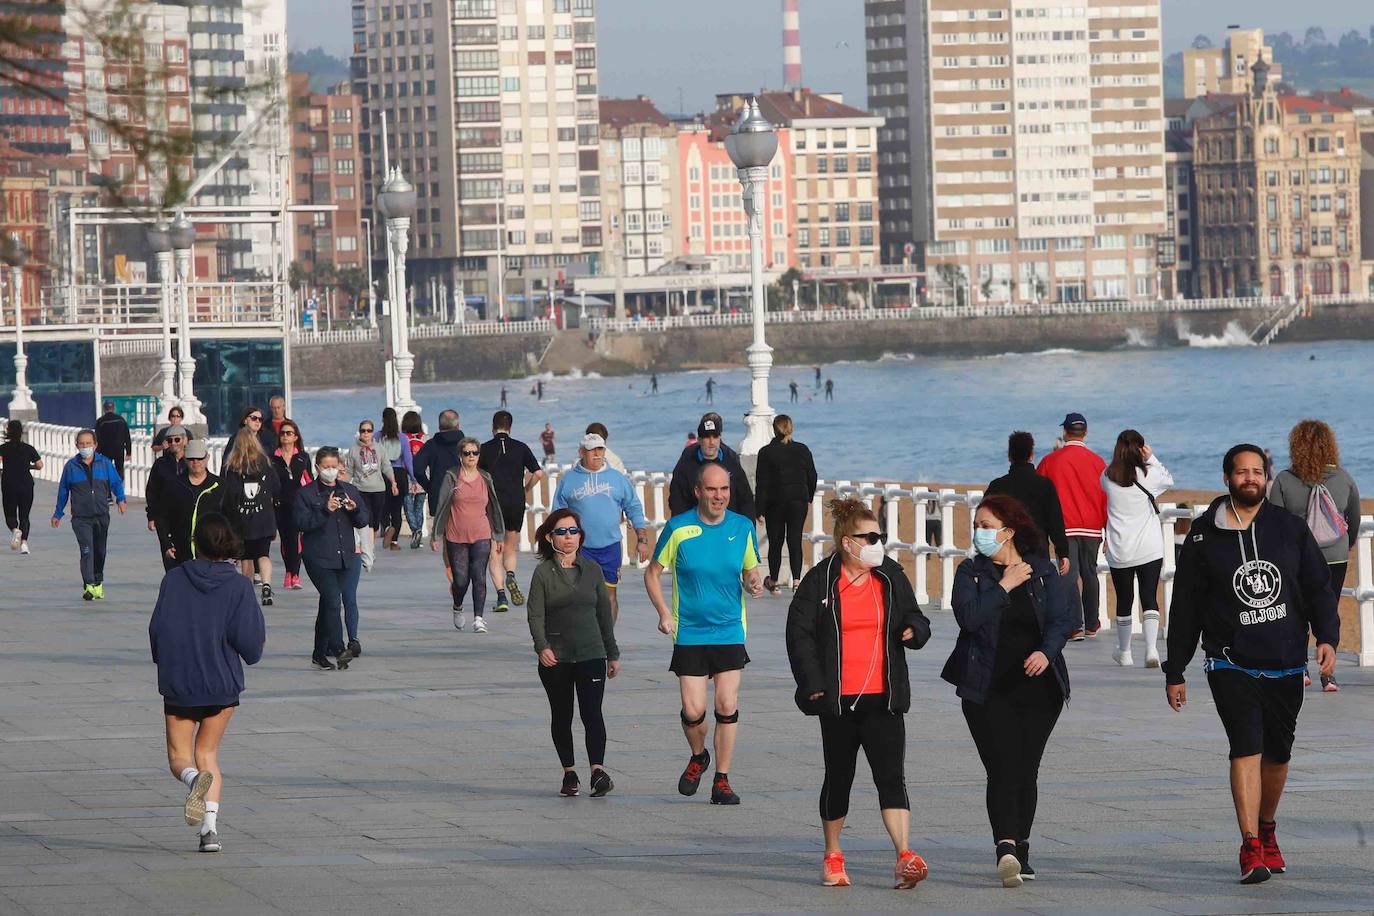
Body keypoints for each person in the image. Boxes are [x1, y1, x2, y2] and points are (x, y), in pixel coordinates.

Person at [1164, 444, 1340, 885]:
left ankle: (1267, 829)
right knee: (1246, 745)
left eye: (1257, 472)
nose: (1249, 478)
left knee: (1278, 755)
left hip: (1284, 660)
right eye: (1241, 472)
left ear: (1267, 477)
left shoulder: (1289, 529)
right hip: (1229, 660)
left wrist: (1328, 638)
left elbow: (1318, 586)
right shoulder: (1204, 537)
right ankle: (1248, 845)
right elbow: (1185, 606)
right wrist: (1175, 669)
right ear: (1226, 478)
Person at [785, 498, 933, 889]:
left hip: (883, 697)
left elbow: (916, 616)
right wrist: (812, 682)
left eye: (879, 536)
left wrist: (914, 631)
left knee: (892, 775)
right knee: (839, 777)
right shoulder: (820, 582)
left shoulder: (890, 576)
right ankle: (833, 855)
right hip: (837, 699)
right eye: (870, 537)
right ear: (847, 542)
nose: (877, 543)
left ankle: (904, 855)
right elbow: (799, 636)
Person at [943, 493, 1071, 888]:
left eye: (985, 525)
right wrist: (1004, 586)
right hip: (985, 687)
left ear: (1008, 531)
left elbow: (1062, 618)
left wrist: (1047, 653)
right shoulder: (971, 573)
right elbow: (968, 619)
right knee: (1001, 766)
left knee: (1026, 768)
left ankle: (1023, 848)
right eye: (976, 526)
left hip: (1038, 689)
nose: (979, 532)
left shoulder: (1041, 569)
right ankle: (1005, 849)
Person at [645, 463, 764, 806]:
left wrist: (754, 582)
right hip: (690, 631)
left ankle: (722, 781)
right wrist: (664, 614)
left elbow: (750, 570)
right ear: (698, 491)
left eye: (724, 489)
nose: (719, 496)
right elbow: (652, 575)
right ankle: (699, 755)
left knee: (726, 704)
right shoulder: (679, 528)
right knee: (693, 710)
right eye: (712, 490)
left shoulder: (742, 527)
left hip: (729, 628)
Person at [149, 513, 265, 854]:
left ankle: (191, 781)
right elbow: (250, 644)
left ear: (196, 543)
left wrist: (165, 663)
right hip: (221, 683)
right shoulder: (240, 586)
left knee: (179, 757)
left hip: (180, 682)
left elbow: (157, 630)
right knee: (207, 753)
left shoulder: (173, 580)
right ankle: (209, 831)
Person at [527, 508, 620, 798]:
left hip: (592, 653)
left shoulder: (592, 570)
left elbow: (605, 614)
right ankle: (569, 773)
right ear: (549, 537)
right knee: (562, 714)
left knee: (593, 713)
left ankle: (597, 771)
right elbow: (535, 615)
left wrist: (612, 653)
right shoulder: (543, 573)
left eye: (573, 531)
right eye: (561, 532)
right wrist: (542, 646)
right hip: (557, 657)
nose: (568, 537)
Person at [1266, 419, 1360, 692]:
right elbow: (1352, 520)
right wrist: (1345, 545)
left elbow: (1274, 523)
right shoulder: (1343, 478)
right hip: (1335, 556)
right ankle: (1328, 674)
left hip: (1297, 558)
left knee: (1297, 612)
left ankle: (1300, 668)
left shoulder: (1284, 480)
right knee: (1327, 612)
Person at [552, 433, 651, 624]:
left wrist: (642, 540)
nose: (597, 454)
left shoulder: (617, 478)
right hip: (580, 548)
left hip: (610, 546)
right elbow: (557, 515)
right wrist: (556, 545)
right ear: (582, 452)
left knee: (609, 596)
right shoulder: (569, 480)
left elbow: (634, 507)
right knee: (582, 597)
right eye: (592, 450)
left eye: (601, 449)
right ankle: (586, 639)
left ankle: (607, 640)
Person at [1101, 430, 1174, 668]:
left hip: (1119, 547)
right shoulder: (1148, 474)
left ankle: (1125, 652)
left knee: (1124, 600)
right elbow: (1168, 479)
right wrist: (1151, 458)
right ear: (1140, 448)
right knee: (1149, 597)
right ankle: (1151, 650)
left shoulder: (1106, 476)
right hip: (1149, 546)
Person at [294, 446, 368, 669]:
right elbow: (302, 523)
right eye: (326, 467)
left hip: (345, 556)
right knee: (334, 600)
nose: (330, 471)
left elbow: (363, 520)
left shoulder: (349, 490)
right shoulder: (306, 494)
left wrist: (353, 509)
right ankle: (338, 647)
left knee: (328, 602)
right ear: (317, 468)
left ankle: (319, 652)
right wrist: (325, 510)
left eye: (334, 467)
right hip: (318, 557)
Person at [1037, 412, 1108, 641]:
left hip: (1064, 526)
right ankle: (1092, 623)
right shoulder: (1098, 462)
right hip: (1092, 525)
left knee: (1068, 574)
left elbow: (1040, 492)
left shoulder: (1051, 460)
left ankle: (1074, 625)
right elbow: (1107, 496)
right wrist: (1107, 528)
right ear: (1085, 433)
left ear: (1065, 432)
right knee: (1090, 573)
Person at [430, 437, 504, 633]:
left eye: (475, 453)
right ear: (460, 455)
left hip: (482, 533)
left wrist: (498, 535)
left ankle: (479, 619)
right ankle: (457, 606)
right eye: (467, 453)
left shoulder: (485, 477)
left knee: (479, 575)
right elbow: (442, 505)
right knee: (461, 580)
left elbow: (494, 507)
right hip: (456, 535)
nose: (471, 456)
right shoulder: (452, 476)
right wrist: (436, 535)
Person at [478, 411, 544, 612]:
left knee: (494, 551)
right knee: (510, 547)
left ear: (493, 427)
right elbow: (539, 473)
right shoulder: (521, 447)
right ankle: (511, 576)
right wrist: (526, 488)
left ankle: (501, 597)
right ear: (510, 427)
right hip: (516, 502)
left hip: (494, 504)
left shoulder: (485, 449)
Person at [51, 428, 127, 600]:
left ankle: (98, 582)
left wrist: (121, 499)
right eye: (82, 444)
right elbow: (63, 491)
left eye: (88, 443)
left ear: (95, 445)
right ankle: (89, 585)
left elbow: (116, 483)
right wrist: (58, 513)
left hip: (101, 515)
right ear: (76, 445)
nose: (85, 446)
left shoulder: (105, 463)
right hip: (80, 518)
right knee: (87, 550)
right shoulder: (71, 466)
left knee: (100, 551)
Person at [986, 431, 1070, 575]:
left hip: (1006, 552)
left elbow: (985, 521)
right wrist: (1063, 552)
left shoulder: (997, 486)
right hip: (1037, 551)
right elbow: (1055, 522)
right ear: (1031, 455)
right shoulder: (1044, 485)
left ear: (1009, 456)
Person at [755, 414, 817, 594]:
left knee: (776, 541)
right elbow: (812, 475)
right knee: (795, 539)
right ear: (791, 428)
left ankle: (773, 581)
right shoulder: (802, 449)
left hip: (775, 502)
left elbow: (762, 483)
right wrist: (809, 496)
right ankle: (797, 581)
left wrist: (759, 509)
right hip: (798, 499)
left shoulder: (766, 452)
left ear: (774, 429)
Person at [221, 427, 281, 605]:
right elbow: (276, 487)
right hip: (263, 518)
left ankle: (247, 590)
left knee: (246, 557)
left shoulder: (233, 466)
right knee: (263, 554)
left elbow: (229, 495)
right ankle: (267, 584)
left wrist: (227, 520)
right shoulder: (265, 463)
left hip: (242, 520)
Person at [668, 413, 756, 519]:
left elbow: (745, 498)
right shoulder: (687, 461)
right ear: (699, 440)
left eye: (715, 437)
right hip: (696, 524)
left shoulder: (731, 459)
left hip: (728, 524)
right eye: (706, 437)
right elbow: (677, 499)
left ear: (720, 438)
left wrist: (749, 527)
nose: (711, 442)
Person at [156, 440, 225, 567]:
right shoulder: (173, 485)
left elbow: (232, 519)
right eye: (192, 458)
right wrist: (166, 544)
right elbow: (161, 517)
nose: (196, 462)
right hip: (179, 553)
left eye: (200, 458)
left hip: (212, 553)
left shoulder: (220, 486)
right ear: (185, 459)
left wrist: (234, 549)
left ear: (207, 458)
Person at [346, 418, 397, 570]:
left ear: (372, 432)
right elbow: (349, 470)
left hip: (379, 489)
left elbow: (386, 466)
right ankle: (369, 551)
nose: (366, 434)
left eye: (369, 431)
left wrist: (393, 482)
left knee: (374, 523)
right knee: (366, 520)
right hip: (361, 489)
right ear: (359, 432)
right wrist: (343, 486)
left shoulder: (379, 448)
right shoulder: (353, 450)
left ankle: (370, 547)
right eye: (363, 431)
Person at [270, 420, 310, 589]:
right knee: (286, 539)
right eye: (283, 433)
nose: (285, 436)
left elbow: (308, 480)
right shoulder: (273, 458)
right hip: (279, 504)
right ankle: (288, 571)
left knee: (296, 537)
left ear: (295, 437)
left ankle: (295, 575)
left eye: (289, 433)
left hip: (297, 504)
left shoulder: (302, 457)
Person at [146, 425, 189, 571]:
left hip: (187, 515)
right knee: (169, 556)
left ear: (185, 440)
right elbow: (152, 491)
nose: (174, 443)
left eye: (177, 439)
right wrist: (151, 516)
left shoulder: (192, 462)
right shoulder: (160, 465)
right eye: (170, 440)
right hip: (165, 517)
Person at [413, 409, 465, 517]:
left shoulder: (431, 445)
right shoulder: (466, 444)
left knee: (441, 532)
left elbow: (417, 469)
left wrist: (430, 487)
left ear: (439, 426)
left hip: (438, 495)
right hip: (463, 493)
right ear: (458, 425)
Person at [1, 419, 42, 554]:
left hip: (9, 484)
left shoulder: (3, 448)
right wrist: (30, 466)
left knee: (10, 515)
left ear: (8, 431)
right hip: (26, 484)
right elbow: (40, 465)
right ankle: (24, 544)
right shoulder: (28, 448)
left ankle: (15, 530)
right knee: (25, 516)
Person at [377, 408, 413, 552]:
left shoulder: (377, 437)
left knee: (384, 508)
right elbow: (408, 460)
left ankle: (386, 528)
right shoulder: (403, 438)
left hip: (383, 474)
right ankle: (394, 541)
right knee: (397, 510)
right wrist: (413, 478)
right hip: (399, 473)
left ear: (382, 419)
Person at [400, 411, 427, 547]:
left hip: (406, 477)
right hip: (423, 478)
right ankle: (419, 534)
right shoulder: (425, 439)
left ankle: (415, 531)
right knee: (419, 508)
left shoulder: (403, 438)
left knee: (408, 508)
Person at [94, 400, 132, 483]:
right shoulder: (121, 420)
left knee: (106, 470)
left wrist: (97, 452)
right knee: (119, 469)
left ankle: (107, 492)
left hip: (105, 450)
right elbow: (127, 437)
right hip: (119, 449)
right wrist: (129, 452)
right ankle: (119, 489)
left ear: (104, 409)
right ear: (114, 408)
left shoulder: (101, 421)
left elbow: (97, 438)